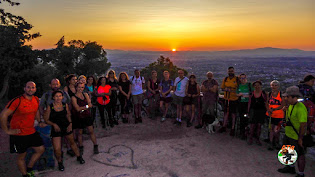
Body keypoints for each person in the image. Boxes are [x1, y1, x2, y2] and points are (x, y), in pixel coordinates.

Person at [0, 81, 45, 177]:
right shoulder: (17, 101)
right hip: (19, 134)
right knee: (21, 156)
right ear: (24, 88)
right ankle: (25, 175)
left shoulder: (36, 99)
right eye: (28, 87)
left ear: (35, 89)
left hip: (31, 131)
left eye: (33, 87)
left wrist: (39, 121)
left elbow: (36, 110)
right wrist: (7, 130)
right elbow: (3, 115)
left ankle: (29, 168)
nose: (30, 89)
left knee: (40, 149)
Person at [43, 90, 85, 171]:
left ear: (62, 97)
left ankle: (79, 157)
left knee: (72, 142)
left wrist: (70, 123)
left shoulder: (64, 104)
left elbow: (68, 114)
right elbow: (46, 119)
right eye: (56, 96)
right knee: (57, 148)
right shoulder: (50, 106)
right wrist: (54, 124)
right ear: (53, 97)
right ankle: (60, 162)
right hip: (56, 129)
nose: (58, 98)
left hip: (66, 126)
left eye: (60, 96)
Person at [39, 78, 75, 157]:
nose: (55, 86)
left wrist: (68, 115)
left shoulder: (64, 94)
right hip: (52, 120)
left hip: (64, 118)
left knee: (66, 134)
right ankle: (59, 151)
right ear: (50, 85)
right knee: (57, 137)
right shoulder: (46, 95)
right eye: (53, 84)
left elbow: (69, 104)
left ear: (59, 85)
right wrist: (45, 117)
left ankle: (69, 149)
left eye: (57, 84)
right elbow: (41, 107)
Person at [278, 86, 307, 177]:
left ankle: (301, 173)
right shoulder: (290, 105)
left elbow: (303, 125)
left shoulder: (301, 108)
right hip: (289, 133)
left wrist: (300, 138)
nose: (286, 98)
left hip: (296, 136)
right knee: (287, 151)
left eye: (288, 97)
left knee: (300, 155)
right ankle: (290, 167)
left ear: (294, 97)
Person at [71, 83, 99, 155]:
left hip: (86, 116)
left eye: (82, 87)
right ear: (76, 88)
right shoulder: (73, 97)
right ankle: (81, 147)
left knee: (91, 131)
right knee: (79, 133)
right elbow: (77, 109)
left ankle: (95, 145)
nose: (81, 89)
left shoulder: (85, 95)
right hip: (79, 117)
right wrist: (86, 107)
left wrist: (82, 108)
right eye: (79, 87)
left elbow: (90, 105)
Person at [219, 67, 240, 136]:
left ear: (234, 71)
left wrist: (232, 90)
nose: (230, 72)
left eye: (232, 71)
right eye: (229, 71)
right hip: (226, 98)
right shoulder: (225, 79)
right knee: (226, 113)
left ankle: (233, 128)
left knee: (233, 114)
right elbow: (222, 88)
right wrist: (226, 89)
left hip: (234, 99)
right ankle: (224, 126)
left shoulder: (237, 79)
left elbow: (239, 89)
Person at [247, 80, 267, 145]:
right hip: (253, 110)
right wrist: (248, 111)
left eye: (258, 85)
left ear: (260, 86)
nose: (257, 86)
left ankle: (257, 138)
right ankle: (251, 138)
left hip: (261, 111)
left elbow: (266, 102)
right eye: (255, 85)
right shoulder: (252, 93)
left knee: (259, 126)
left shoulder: (263, 93)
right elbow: (249, 103)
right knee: (252, 125)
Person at [266, 80, 284, 150]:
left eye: (276, 85)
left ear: (278, 86)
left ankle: (276, 142)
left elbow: (282, 104)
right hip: (271, 114)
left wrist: (274, 109)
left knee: (276, 130)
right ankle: (271, 143)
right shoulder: (269, 94)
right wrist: (268, 109)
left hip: (279, 115)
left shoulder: (281, 94)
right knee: (271, 129)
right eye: (273, 85)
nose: (274, 87)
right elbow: (267, 103)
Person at [236, 74, 252, 139]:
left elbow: (254, 94)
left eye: (244, 78)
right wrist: (239, 95)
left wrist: (247, 96)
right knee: (241, 118)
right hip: (241, 104)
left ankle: (246, 132)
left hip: (247, 104)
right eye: (241, 78)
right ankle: (242, 132)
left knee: (246, 118)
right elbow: (236, 94)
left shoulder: (249, 85)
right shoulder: (238, 86)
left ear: (246, 78)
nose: (242, 79)